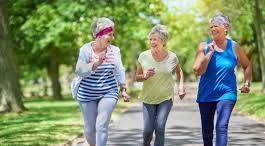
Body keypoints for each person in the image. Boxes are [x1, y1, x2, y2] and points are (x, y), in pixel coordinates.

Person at [193, 12, 252, 146]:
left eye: (216, 26)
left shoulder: (234, 47)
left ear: (226, 28)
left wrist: (247, 83)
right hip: (206, 94)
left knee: (221, 127)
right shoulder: (204, 46)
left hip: (227, 93)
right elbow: (197, 70)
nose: (213, 29)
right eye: (211, 27)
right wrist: (210, 53)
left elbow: (247, 65)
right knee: (207, 133)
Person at [74, 17, 130, 146]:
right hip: (87, 93)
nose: (112, 37)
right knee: (90, 129)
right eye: (109, 34)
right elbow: (79, 71)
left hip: (108, 92)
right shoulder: (85, 50)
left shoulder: (115, 51)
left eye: (112, 34)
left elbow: (119, 70)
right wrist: (97, 63)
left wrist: (123, 89)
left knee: (101, 125)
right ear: (99, 35)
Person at [136, 24, 186, 146]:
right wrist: (146, 76)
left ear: (163, 41)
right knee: (148, 130)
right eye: (151, 39)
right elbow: (137, 77)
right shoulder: (144, 56)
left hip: (165, 98)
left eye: (155, 39)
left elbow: (179, 72)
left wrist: (180, 87)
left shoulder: (172, 57)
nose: (152, 42)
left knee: (159, 127)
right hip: (148, 98)